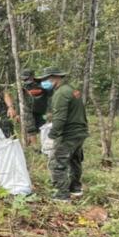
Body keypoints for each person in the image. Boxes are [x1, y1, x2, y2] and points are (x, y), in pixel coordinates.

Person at [39, 66, 87, 201]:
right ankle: (75, 188)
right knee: (74, 161)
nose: (44, 82)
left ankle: (61, 195)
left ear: (56, 77)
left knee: (57, 163)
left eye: (46, 79)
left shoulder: (61, 93)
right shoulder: (72, 90)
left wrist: (51, 136)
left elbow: (60, 119)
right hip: (80, 131)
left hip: (68, 134)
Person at [19, 68, 52, 145]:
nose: (26, 80)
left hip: (42, 111)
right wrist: (18, 114)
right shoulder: (22, 86)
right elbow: (19, 101)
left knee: (44, 128)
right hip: (29, 111)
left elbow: (51, 96)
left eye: (27, 78)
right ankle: (35, 148)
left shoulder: (43, 84)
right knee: (30, 130)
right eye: (24, 78)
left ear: (32, 76)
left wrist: (50, 111)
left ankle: (45, 146)